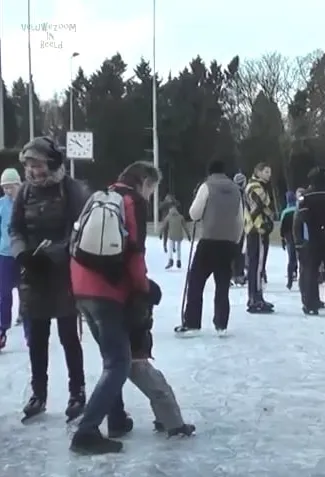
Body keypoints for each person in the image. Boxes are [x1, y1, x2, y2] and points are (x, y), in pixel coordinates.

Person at [69, 160, 161, 454]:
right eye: (153, 189)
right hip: (107, 292)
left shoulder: (101, 197)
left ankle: (117, 419)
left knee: (111, 358)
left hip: (81, 287)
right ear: (144, 181)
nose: (151, 195)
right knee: (119, 362)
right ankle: (86, 431)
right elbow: (134, 254)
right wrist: (146, 289)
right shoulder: (132, 201)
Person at [11, 137, 88, 423]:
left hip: (63, 274)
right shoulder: (25, 192)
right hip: (33, 273)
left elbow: (79, 230)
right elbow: (15, 228)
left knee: (69, 336)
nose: (32, 170)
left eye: (38, 164)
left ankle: (77, 391)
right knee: (37, 339)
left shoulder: (70, 190)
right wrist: (22, 254)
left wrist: (54, 253)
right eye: (29, 165)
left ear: (52, 163)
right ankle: (38, 393)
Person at [177, 160, 245, 335]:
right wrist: (235, 241)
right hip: (229, 242)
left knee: (196, 282)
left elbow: (194, 213)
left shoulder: (207, 186)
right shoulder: (236, 190)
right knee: (222, 284)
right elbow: (240, 219)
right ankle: (221, 323)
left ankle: (192, 322)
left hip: (209, 240)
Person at [127, 290, 196, 438]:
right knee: (159, 390)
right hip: (134, 358)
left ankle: (163, 419)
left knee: (158, 384)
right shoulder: (135, 316)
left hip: (134, 355)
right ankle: (174, 425)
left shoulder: (136, 314)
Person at [293, 166, 325, 315]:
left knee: (311, 271)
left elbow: (300, 218)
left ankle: (311, 303)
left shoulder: (306, 197)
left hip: (312, 238)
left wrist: (299, 239)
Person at [243, 163, 276, 313]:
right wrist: (262, 226)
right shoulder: (255, 187)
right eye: (266, 171)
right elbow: (256, 209)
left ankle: (257, 297)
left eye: (270, 171)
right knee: (257, 266)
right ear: (258, 172)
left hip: (255, 230)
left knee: (257, 266)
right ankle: (255, 299)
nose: (269, 174)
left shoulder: (257, 186)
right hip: (257, 231)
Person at [0, 168, 22, 350]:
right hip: (5, 254)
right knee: (4, 293)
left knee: (26, 291)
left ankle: (31, 331)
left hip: (22, 254)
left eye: (11, 187)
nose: (8, 191)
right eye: (5, 188)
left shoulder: (24, 202)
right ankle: (2, 328)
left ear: (18, 185)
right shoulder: (1, 204)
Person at [159, 204, 190, 270]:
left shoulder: (168, 217)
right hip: (179, 235)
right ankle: (178, 261)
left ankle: (171, 260)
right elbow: (185, 227)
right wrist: (188, 235)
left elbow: (163, 226)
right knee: (178, 248)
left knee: (170, 248)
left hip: (171, 236)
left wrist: (160, 233)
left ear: (170, 210)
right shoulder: (180, 217)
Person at [280, 190, 299, 290]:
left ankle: (290, 281)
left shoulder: (285, 212)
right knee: (302, 259)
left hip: (289, 238)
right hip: (298, 237)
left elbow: (282, 228)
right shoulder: (298, 210)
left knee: (291, 259)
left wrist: (282, 239)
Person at [231, 172, 248, 286]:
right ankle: (238, 275)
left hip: (232, 226)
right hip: (240, 226)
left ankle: (234, 275)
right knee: (240, 252)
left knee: (233, 252)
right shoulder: (242, 194)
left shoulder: (231, 193)